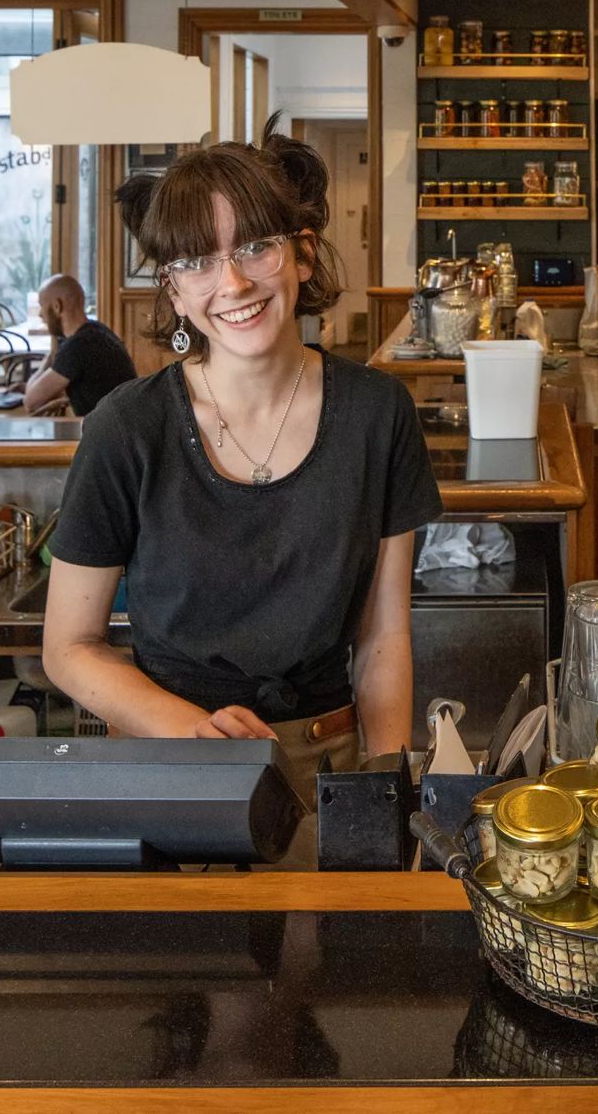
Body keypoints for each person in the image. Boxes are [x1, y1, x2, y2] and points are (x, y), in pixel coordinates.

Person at [42, 138, 442, 850]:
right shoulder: (127, 427)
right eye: (196, 261)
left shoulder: (379, 413)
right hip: (166, 766)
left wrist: (386, 788)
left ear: (304, 254)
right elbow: (70, 647)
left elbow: (383, 636)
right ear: (172, 289)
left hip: (330, 766)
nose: (231, 283)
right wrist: (189, 731)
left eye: (255, 246)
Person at [23, 274, 137, 416]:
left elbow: (30, 402)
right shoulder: (97, 331)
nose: (40, 314)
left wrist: (51, 356)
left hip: (107, 436)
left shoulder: (78, 346)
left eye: (41, 306)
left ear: (57, 306)